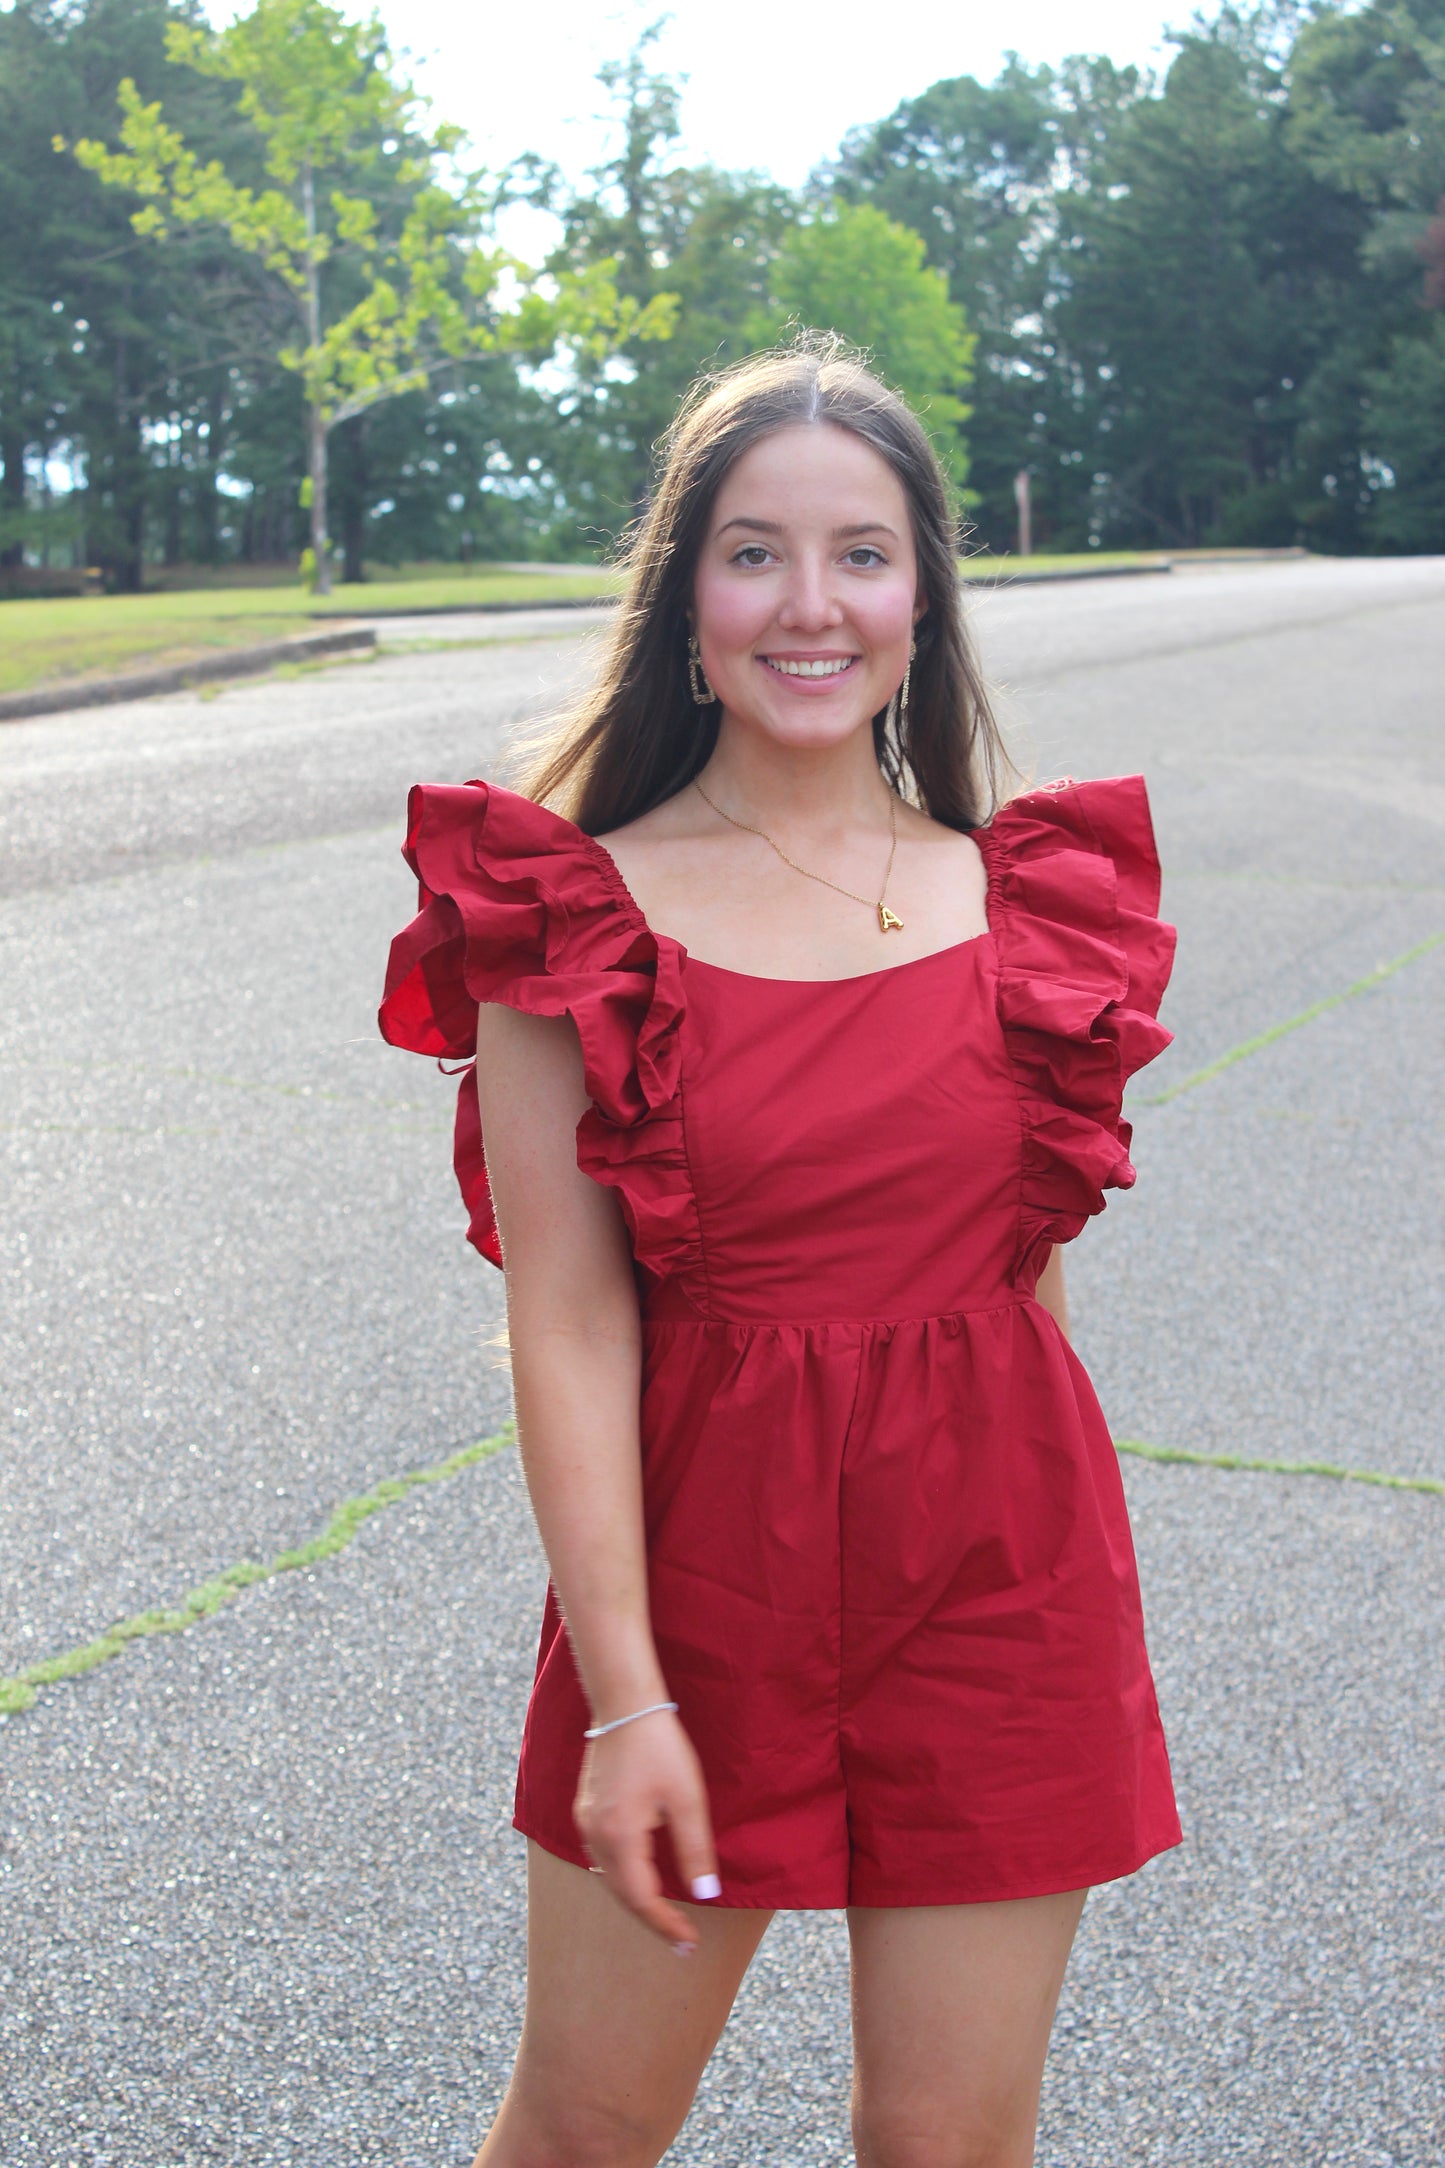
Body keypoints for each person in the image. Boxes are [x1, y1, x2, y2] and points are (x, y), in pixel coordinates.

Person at [378, 334, 1181, 2168]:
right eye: (753, 552)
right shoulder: (567, 918)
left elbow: (1023, 1277)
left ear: (924, 601)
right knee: (584, 2127)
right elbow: (569, 1331)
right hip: (698, 1590)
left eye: (860, 554)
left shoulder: (1032, 905)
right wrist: (629, 1693)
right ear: (684, 601)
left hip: (997, 1584)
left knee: (946, 2143)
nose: (807, 604)